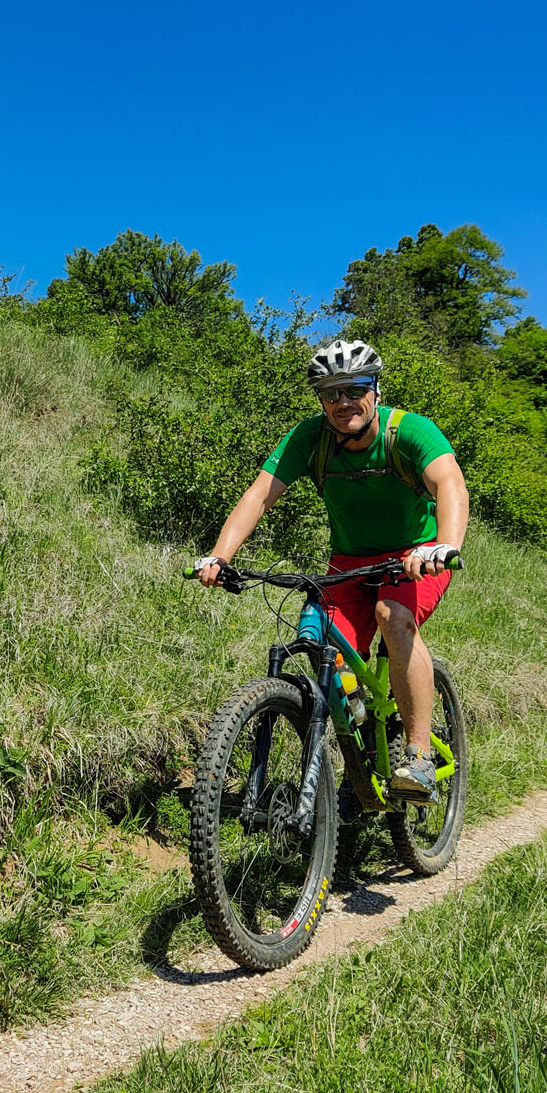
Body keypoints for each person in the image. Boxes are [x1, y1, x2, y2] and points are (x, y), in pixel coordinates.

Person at [193, 338, 469, 803]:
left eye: (355, 389)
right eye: (330, 393)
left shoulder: (409, 431)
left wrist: (445, 545)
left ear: (375, 389)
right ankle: (361, 759)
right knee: (328, 650)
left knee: (393, 617)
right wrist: (220, 556)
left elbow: (450, 483)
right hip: (349, 563)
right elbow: (259, 495)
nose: (344, 402)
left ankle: (419, 755)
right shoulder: (311, 438)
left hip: (417, 557)